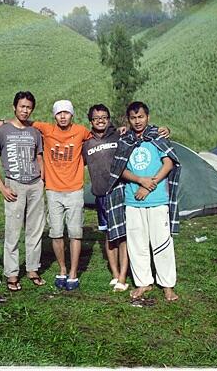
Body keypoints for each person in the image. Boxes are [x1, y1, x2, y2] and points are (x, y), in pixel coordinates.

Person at [0, 99, 90, 290]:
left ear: (72, 115)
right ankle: (57, 269)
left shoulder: (81, 131)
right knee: (53, 232)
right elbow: (22, 121)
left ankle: (69, 273)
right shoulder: (44, 129)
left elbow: (100, 134)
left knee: (71, 232)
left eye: (66, 113)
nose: (63, 116)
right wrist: (3, 123)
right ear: (54, 115)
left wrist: (120, 130)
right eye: (59, 113)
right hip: (51, 189)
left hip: (72, 189)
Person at [106, 101, 181, 302]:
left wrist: (150, 184)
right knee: (137, 243)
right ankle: (143, 283)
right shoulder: (126, 140)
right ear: (128, 120)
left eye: (141, 117)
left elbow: (169, 162)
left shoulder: (157, 137)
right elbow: (120, 168)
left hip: (157, 199)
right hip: (132, 199)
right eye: (133, 118)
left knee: (162, 242)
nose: (137, 121)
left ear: (147, 117)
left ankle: (167, 285)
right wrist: (140, 181)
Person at [0, 91, 46, 291]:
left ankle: (32, 269)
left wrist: (43, 179)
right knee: (12, 230)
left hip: (35, 184)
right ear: (14, 107)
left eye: (29, 107)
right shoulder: (2, 131)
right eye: (22, 106)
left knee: (35, 229)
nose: (25, 110)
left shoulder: (34, 132)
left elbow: (39, 157)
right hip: (14, 185)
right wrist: (2, 186)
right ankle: (11, 273)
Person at [82, 104, 129, 292]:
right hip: (100, 195)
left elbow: (141, 131)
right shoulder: (86, 142)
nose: (100, 120)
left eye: (104, 117)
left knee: (123, 236)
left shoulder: (119, 135)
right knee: (109, 236)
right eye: (96, 118)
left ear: (109, 118)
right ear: (91, 121)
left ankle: (123, 277)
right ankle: (115, 274)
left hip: (119, 191)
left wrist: (164, 130)